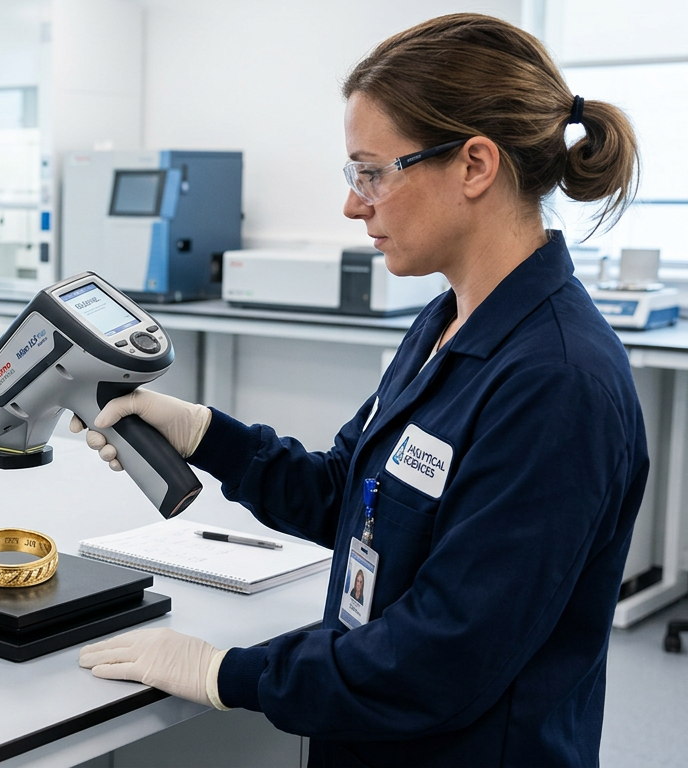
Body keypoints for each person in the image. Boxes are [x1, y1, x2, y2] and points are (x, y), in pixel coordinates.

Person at [75, 14, 647, 766]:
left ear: (474, 165)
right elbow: (352, 494)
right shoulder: (446, 323)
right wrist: (201, 432)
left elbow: (444, 657)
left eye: (372, 172)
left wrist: (228, 672)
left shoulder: (557, 384)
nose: (354, 204)